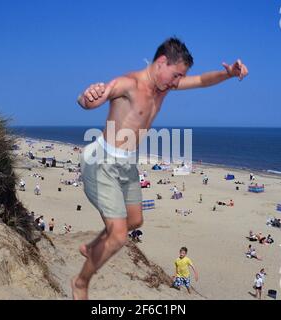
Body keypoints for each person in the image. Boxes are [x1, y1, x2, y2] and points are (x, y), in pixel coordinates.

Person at [72, 37, 248, 300]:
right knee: (119, 236)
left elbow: (201, 81)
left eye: (181, 77)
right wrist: (87, 97)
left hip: (126, 162)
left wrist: (228, 74)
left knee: (135, 220)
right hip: (102, 162)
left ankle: (92, 246)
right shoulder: (129, 84)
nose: (178, 81)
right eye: (177, 74)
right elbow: (94, 98)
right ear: (162, 62)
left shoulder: (164, 87)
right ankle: (81, 282)